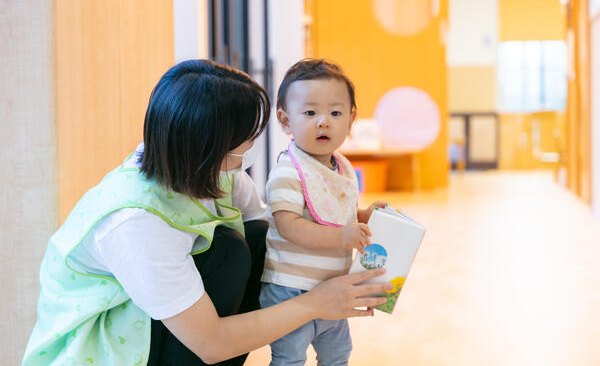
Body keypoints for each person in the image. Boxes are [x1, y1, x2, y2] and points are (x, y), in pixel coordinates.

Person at [23, 59, 391, 366]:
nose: (251, 146)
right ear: (208, 145)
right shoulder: (136, 224)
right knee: (230, 252)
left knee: (259, 239)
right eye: (245, 137)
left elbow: (269, 227)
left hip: (160, 319)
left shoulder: (208, 169)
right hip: (110, 349)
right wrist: (313, 303)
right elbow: (211, 343)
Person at [259, 58, 387, 366]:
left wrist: (362, 216)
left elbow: (332, 210)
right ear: (286, 120)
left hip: (332, 288)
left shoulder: (340, 166)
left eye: (335, 112)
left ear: (351, 119)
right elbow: (290, 225)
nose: (323, 121)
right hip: (291, 290)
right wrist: (342, 236)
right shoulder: (289, 171)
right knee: (289, 358)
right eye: (310, 112)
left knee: (338, 354)